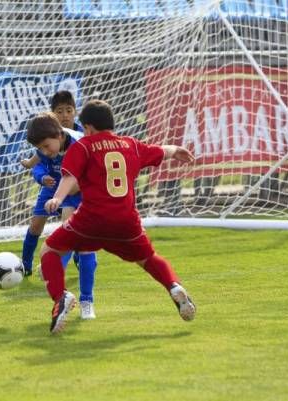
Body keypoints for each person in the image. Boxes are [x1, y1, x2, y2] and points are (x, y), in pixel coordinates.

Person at [33, 99, 197, 334]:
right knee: (148, 258)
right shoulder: (131, 145)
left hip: (91, 220)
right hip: (126, 222)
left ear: (87, 128)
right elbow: (161, 150)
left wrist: (57, 199)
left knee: (50, 250)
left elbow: (69, 178)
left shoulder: (83, 146)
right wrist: (175, 150)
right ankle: (173, 286)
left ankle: (61, 297)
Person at [21, 93, 98, 320]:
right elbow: (38, 163)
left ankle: (86, 301)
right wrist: (41, 177)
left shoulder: (80, 143)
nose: (45, 152)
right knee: (44, 227)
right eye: (41, 149)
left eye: (46, 147)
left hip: (84, 191)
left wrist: (67, 190)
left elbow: (80, 181)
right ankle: (34, 268)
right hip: (56, 186)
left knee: (75, 235)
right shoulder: (49, 143)